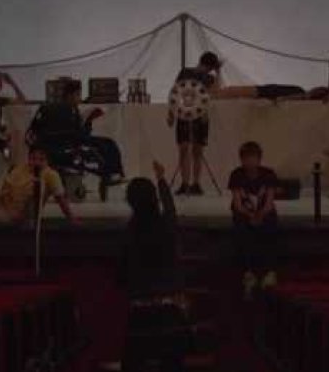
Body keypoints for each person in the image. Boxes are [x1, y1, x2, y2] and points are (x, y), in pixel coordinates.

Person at [121, 160, 188, 372]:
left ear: (130, 202)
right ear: (154, 198)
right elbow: (170, 209)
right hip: (170, 313)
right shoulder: (166, 226)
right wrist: (161, 179)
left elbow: (122, 275)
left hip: (140, 314)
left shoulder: (129, 233)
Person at [27, 80, 125, 186]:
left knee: (105, 144)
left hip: (49, 146)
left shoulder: (45, 108)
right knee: (108, 144)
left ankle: (110, 174)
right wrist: (89, 121)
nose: (79, 99)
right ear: (70, 95)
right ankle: (111, 174)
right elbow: (81, 134)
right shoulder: (72, 110)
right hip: (71, 143)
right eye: (78, 95)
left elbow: (33, 130)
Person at [228, 141, 279, 297]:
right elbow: (237, 204)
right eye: (246, 158)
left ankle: (269, 271)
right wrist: (250, 216)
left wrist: (260, 215)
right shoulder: (237, 175)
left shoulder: (268, 175)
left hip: (263, 212)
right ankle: (248, 272)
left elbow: (269, 203)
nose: (250, 161)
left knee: (271, 226)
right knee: (242, 229)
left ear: (259, 159)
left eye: (253, 157)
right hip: (245, 213)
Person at [168, 51, 222, 195]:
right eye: (208, 68)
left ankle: (196, 184)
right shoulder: (185, 72)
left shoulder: (210, 78)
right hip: (184, 114)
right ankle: (185, 183)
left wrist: (218, 73)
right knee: (184, 149)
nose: (207, 71)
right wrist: (171, 114)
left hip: (201, 115)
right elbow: (175, 92)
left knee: (198, 150)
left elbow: (216, 92)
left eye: (210, 69)